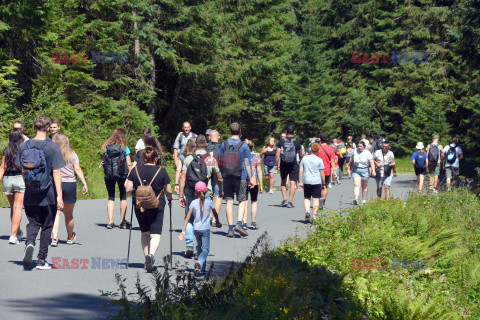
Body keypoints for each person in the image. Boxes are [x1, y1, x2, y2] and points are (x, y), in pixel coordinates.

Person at [17, 115, 65, 270]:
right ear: (48, 128)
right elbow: (56, 172)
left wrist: (29, 185)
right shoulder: (52, 147)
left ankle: (29, 243)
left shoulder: (24, 146)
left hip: (30, 192)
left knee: (33, 222)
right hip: (48, 192)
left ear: (33, 127)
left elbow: (23, 169)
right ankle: (41, 260)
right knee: (46, 226)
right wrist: (60, 196)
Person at [125, 146, 173, 272]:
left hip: (140, 205)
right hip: (157, 204)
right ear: (156, 158)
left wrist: (135, 196)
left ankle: (146, 258)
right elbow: (168, 190)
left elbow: (128, 189)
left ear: (143, 158)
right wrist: (169, 199)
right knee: (155, 234)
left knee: (145, 233)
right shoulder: (161, 171)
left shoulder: (135, 170)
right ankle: (151, 255)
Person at [179, 135, 223, 257]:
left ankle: (189, 245)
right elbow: (218, 178)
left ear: (196, 145)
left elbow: (182, 177)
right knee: (203, 220)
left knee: (189, 218)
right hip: (205, 193)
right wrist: (220, 190)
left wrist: (181, 195)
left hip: (191, 191)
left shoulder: (188, 159)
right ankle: (201, 249)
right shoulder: (211, 160)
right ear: (207, 145)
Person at [50, 133, 88, 247]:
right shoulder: (73, 154)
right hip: (70, 184)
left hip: (57, 184)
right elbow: (78, 169)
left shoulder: (52, 154)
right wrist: (84, 183)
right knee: (69, 214)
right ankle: (70, 236)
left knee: (56, 212)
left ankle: (54, 238)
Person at [218, 122, 252, 238]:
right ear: (240, 131)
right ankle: (239, 223)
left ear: (230, 131)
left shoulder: (224, 144)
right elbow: (247, 163)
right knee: (242, 200)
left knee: (229, 201)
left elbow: (220, 161)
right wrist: (250, 177)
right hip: (240, 175)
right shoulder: (244, 145)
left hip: (227, 175)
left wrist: (221, 175)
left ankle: (230, 229)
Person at [179, 181, 221, 276]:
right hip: (205, 229)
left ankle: (201, 270)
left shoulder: (193, 203)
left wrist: (183, 230)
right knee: (205, 249)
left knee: (200, 248)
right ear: (206, 192)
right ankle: (200, 262)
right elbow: (215, 213)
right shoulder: (209, 202)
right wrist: (217, 221)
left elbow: (187, 218)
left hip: (196, 229)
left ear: (195, 192)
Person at [101, 128, 132, 229]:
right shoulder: (124, 147)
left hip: (108, 176)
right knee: (123, 197)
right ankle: (122, 222)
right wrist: (130, 175)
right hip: (122, 175)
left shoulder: (106, 147)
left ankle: (110, 221)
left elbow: (104, 162)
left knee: (111, 197)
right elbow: (129, 163)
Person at [0, 129, 25, 244]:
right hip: (19, 178)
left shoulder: (6, 150)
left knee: (12, 208)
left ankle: (18, 232)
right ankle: (13, 236)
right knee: (18, 207)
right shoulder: (23, 150)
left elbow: (2, 167)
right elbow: (24, 168)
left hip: (7, 179)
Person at [275, 125, 303, 208]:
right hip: (293, 164)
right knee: (292, 182)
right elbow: (300, 153)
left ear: (286, 132)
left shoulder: (281, 141)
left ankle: (284, 200)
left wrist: (277, 164)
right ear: (293, 132)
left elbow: (277, 154)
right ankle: (290, 202)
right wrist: (301, 161)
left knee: (283, 182)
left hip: (283, 164)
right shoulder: (297, 142)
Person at [298, 142, 325, 222]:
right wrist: (323, 183)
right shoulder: (319, 160)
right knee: (316, 199)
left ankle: (307, 212)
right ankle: (314, 217)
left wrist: (300, 182)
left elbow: (300, 171)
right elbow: (322, 173)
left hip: (307, 181)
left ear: (310, 149)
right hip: (316, 181)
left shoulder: (305, 158)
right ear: (318, 150)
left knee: (307, 198)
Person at [242, 140, 262, 230]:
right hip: (254, 182)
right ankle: (253, 222)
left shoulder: (242, 157)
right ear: (252, 147)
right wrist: (261, 185)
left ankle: (244, 222)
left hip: (244, 181)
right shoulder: (256, 157)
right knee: (254, 202)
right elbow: (259, 171)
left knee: (244, 202)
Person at [349, 141, 376, 205]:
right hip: (356, 170)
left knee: (364, 186)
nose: (359, 148)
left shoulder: (367, 153)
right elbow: (352, 158)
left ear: (364, 146)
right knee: (357, 184)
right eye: (358, 146)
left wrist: (373, 170)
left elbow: (371, 162)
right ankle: (356, 199)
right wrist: (349, 164)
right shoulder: (355, 151)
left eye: (360, 146)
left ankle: (364, 199)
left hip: (365, 170)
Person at [315, 133, 336, 209]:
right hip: (327, 170)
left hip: (317, 170)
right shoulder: (331, 148)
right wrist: (334, 172)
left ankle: (318, 200)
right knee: (325, 187)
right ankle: (323, 203)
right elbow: (333, 161)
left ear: (320, 139)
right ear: (327, 139)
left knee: (318, 186)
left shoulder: (317, 148)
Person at [205, 130, 222, 222]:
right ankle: (215, 219)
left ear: (209, 137)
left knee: (209, 194)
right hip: (218, 171)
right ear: (218, 137)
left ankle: (210, 215)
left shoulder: (206, 148)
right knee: (218, 195)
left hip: (207, 172)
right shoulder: (221, 147)